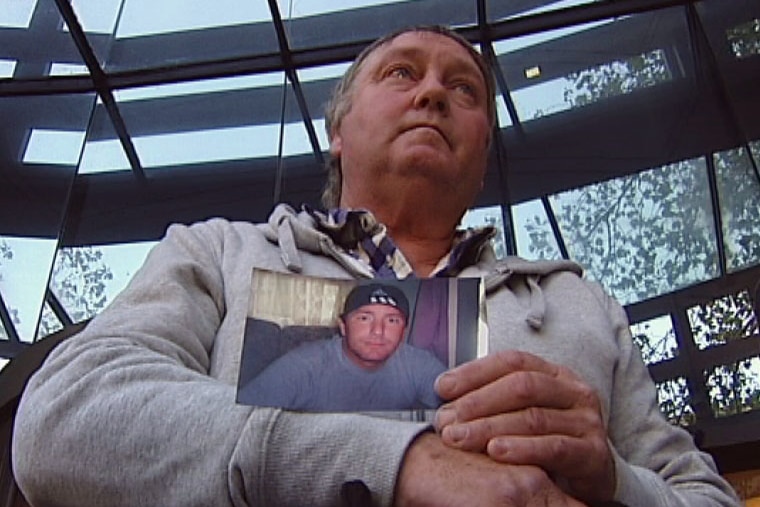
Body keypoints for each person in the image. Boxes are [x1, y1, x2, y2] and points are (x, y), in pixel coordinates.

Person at [12, 24, 740, 507]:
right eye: (402, 73)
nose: (432, 92)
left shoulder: (579, 301)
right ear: (337, 130)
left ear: (485, 146)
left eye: (464, 89)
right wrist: (397, 461)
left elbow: (705, 495)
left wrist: (616, 478)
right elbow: (66, 415)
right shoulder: (221, 250)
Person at [238, 283, 446, 411]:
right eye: (364, 318)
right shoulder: (304, 365)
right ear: (343, 326)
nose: (378, 331)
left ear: (405, 331)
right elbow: (243, 416)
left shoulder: (419, 363)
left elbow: (461, 406)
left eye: (392, 321)